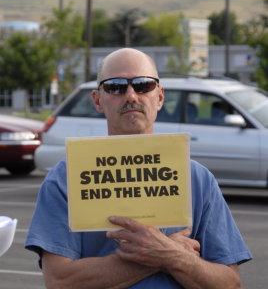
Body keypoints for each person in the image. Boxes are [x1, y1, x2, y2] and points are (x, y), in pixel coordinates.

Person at [25, 48, 252, 289]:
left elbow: (230, 284)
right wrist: (163, 253)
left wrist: (170, 254)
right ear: (97, 100)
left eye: (143, 85)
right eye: (116, 86)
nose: (131, 95)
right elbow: (61, 281)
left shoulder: (198, 179)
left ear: (160, 97)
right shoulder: (65, 179)